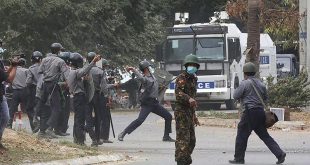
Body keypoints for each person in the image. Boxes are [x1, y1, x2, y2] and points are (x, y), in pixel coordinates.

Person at [229, 62, 286, 164]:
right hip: (260, 112)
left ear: (245, 73)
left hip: (249, 113)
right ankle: (280, 154)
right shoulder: (261, 84)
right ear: (254, 72)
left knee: (242, 135)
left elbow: (235, 95)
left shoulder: (245, 83)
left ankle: (239, 159)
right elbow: (265, 98)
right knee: (265, 136)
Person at [118, 60, 175, 142]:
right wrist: (133, 69)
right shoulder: (145, 79)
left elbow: (154, 87)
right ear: (146, 68)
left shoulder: (152, 76)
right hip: (147, 103)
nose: (150, 68)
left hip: (154, 103)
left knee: (168, 116)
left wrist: (161, 87)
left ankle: (166, 136)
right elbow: (141, 78)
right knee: (140, 120)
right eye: (148, 67)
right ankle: (123, 133)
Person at [67, 53, 101, 146]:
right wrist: (93, 62)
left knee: (79, 119)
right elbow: (84, 71)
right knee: (79, 120)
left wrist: (85, 80)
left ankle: (78, 140)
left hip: (78, 97)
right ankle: (80, 141)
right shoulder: (75, 72)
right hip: (79, 97)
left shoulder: (72, 72)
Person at [38, 43, 69, 138]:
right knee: (57, 108)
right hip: (54, 85)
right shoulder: (60, 61)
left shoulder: (44, 59)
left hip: (45, 84)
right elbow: (67, 76)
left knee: (45, 107)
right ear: (59, 51)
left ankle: (41, 131)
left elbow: (40, 71)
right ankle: (49, 128)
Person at [174, 54, 200, 165]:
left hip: (189, 112)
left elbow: (193, 99)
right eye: (190, 65)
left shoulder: (194, 79)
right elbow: (178, 93)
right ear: (186, 66)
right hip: (181, 111)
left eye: (194, 65)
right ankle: (181, 160)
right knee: (183, 139)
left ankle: (184, 158)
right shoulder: (182, 78)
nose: (192, 67)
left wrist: (194, 116)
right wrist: (188, 98)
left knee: (192, 141)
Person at [8, 58, 35, 132]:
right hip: (24, 91)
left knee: (12, 109)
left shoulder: (13, 70)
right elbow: (29, 81)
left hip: (15, 92)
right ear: (24, 64)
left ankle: (8, 125)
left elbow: (9, 81)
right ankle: (34, 127)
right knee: (29, 109)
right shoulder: (26, 70)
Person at [0, 57, 18, 151]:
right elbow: (9, 79)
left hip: (1, 95)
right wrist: (14, 67)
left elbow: (4, 75)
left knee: (5, 117)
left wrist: (11, 66)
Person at [26, 51, 43, 133]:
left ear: (32, 59)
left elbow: (28, 81)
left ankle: (35, 126)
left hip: (34, 90)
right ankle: (43, 129)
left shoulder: (31, 68)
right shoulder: (45, 67)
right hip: (44, 89)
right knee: (43, 109)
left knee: (29, 109)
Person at [99, 59, 115, 143]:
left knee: (105, 117)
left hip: (101, 96)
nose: (106, 67)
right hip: (102, 96)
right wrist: (113, 85)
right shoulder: (101, 73)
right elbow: (104, 87)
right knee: (104, 117)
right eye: (105, 66)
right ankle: (103, 136)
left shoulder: (101, 73)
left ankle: (104, 136)